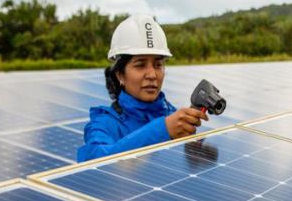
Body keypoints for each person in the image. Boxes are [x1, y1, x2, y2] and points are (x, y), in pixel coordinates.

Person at [77, 14, 209, 163]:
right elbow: (92, 163)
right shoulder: (104, 123)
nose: (152, 75)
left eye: (158, 65)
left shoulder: (172, 115)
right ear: (120, 74)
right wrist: (162, 130)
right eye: (140, 65)